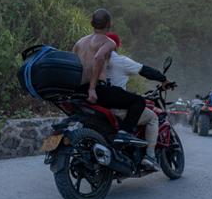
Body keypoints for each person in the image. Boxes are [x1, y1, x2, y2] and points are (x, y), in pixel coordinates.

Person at [72, 9, 146, 145]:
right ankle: (124, 133)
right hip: (96, 90)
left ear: (91, 23)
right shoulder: (108, 42)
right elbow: (99, 56)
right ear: (109, 24)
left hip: (78, 90)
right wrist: (92, 88)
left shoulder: (79, 43)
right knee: (138, 101)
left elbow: (72, 63)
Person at [105, 32, 170, 171]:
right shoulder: (120, 61)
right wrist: (163, 79)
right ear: (116, 46)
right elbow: (144, 70)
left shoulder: (96, 59)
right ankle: (150, 157)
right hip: (117, 107)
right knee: (152, 118)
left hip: (99, 103)